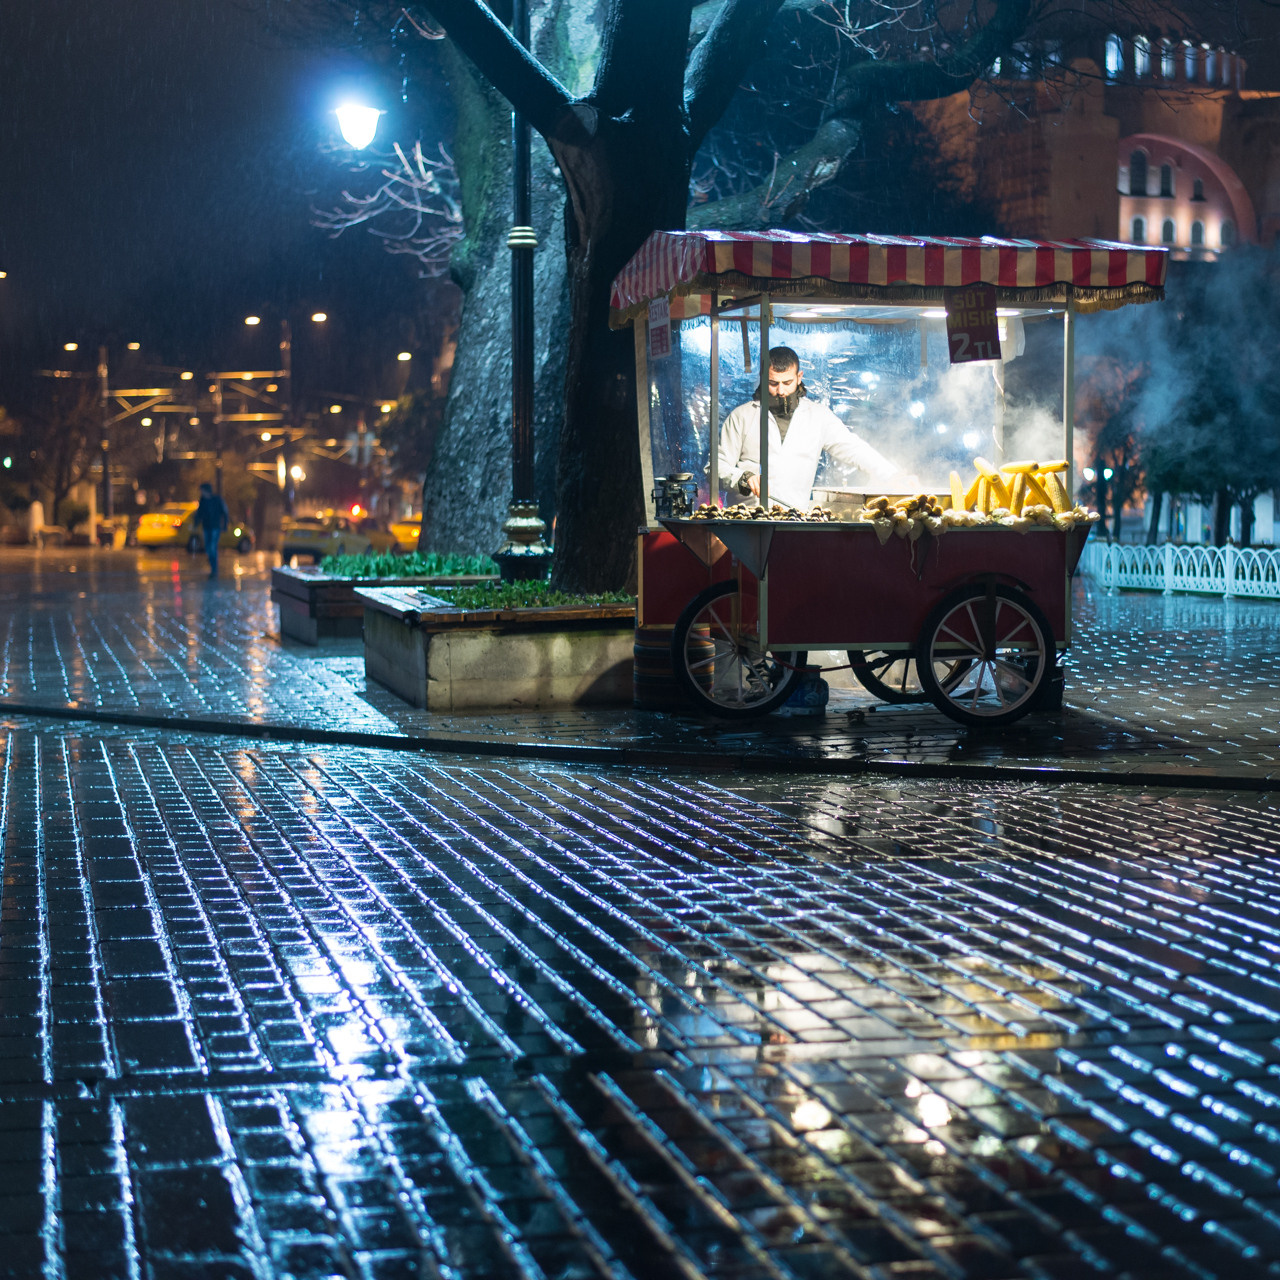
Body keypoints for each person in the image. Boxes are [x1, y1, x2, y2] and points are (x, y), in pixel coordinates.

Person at [716, 346, 904, 509]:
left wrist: (892, 475)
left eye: (787, 383)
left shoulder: (818, 416)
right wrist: (743, 477)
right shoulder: (742, 416)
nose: (780, 391)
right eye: (773, 383)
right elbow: (717, 467)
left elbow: (853, 448)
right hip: (747, 520)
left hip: (794, 519)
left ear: (799, 377)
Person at [195, 482, 229, 578]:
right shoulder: (203, 501)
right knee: (208, 548)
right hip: (206, 527)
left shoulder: (217, 500)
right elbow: (199, 513)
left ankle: (214, 569)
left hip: (215, 527)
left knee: (212, 547)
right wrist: (196, 522)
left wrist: (225, 525)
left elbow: (225, 512)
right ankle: (212, 566)